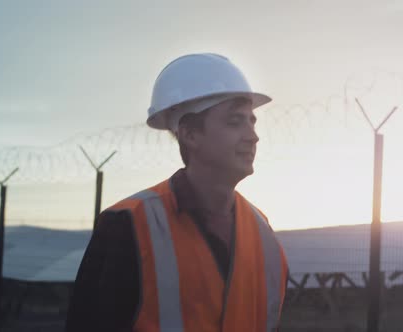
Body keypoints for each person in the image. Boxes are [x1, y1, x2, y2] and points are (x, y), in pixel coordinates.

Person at [65, 53, 289, 332]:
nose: (252, 135)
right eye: (235, 122)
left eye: (251, 121)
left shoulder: (263, 232)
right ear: (189, 135)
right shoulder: (128, 225)